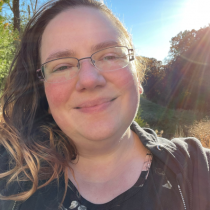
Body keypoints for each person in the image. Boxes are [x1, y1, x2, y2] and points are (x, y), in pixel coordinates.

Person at [0, 0, 209, 209]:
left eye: (109, 56)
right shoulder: (10, 181)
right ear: (43, 93)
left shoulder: (197, 169)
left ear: (137, 78)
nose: (89, 79)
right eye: (62, 66)